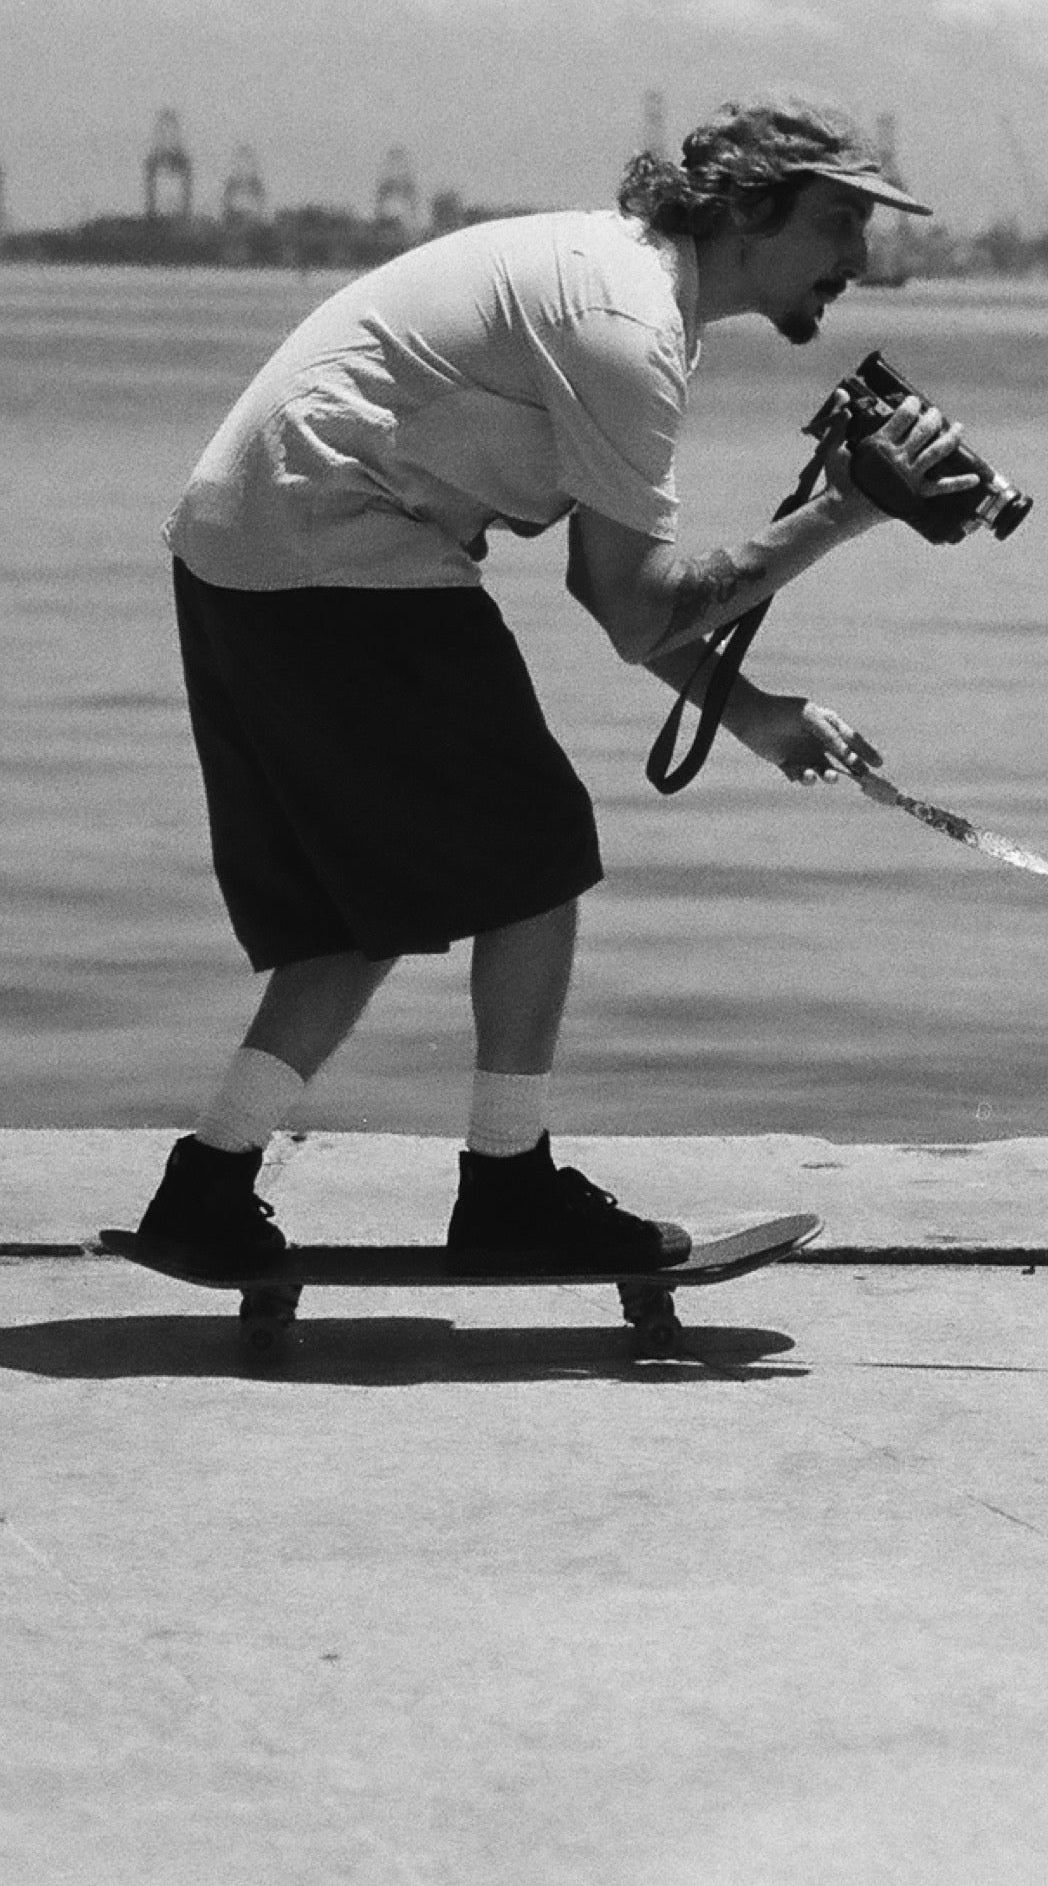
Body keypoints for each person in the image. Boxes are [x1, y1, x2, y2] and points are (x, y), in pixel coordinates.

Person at [132, 99, 972, 1274]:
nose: (860, 257)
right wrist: (841, 511)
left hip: (247, 542)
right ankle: (508, 1188)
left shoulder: (621, 284)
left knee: (352, 903)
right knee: (536, 850)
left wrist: (750, 712)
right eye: (838, 219)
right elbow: (635, 604)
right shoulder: (626, 325)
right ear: (748, 209)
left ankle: (208, 1183)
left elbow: (608, 589)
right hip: (336, 544)